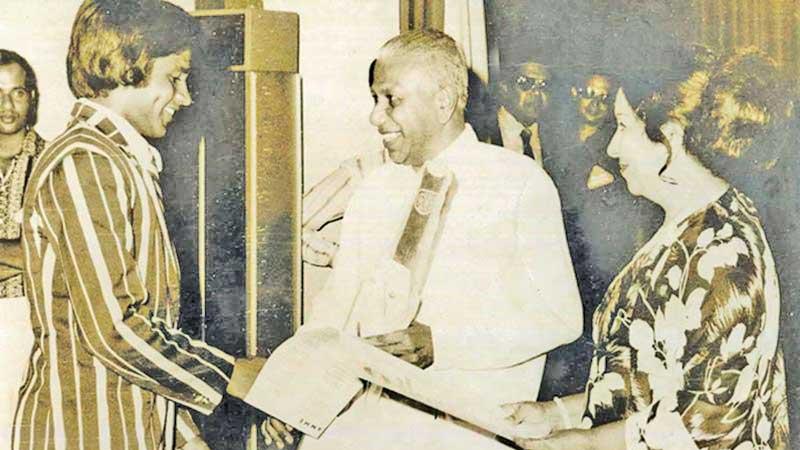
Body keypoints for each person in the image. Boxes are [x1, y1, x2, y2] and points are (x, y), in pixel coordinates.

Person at [14, 2, 288, 449]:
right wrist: (235, 375)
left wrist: (180, 434)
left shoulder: (122, 162)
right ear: (127, 68)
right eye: (175, 78)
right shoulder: (86, 162)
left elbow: (146, 328)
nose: (186, 97)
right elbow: (115, 330)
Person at [298, 29, 582, 450]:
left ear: (444, 101)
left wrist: (443, 344)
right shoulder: (375, 190)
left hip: (465, 433)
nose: (376, 117)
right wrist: (299, 393)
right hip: (368, 429)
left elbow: (560, 318)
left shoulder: (519, 184)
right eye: (374, 100)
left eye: (390, 99)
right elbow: (336, 309)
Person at [504, 50, 790, 449]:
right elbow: (651, 379)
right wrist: (557, 413)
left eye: (623, 127)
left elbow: (705, 423)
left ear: (670, 135)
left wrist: (587, 443)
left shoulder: (726, 254)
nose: (613, 147)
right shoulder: (687, 225)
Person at [0, 49, 44, 450]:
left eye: (16, 93)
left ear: (31, 97)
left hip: (25, 319)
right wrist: (14, 250)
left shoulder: (53, 162)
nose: (6, 106)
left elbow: (50, 253)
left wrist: (25, 253)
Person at [488, 61, 552, 163]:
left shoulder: (557, 138)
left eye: (543, 86)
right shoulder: (483, 134)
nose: (536, 93)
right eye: (525, 83)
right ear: (504, 87)